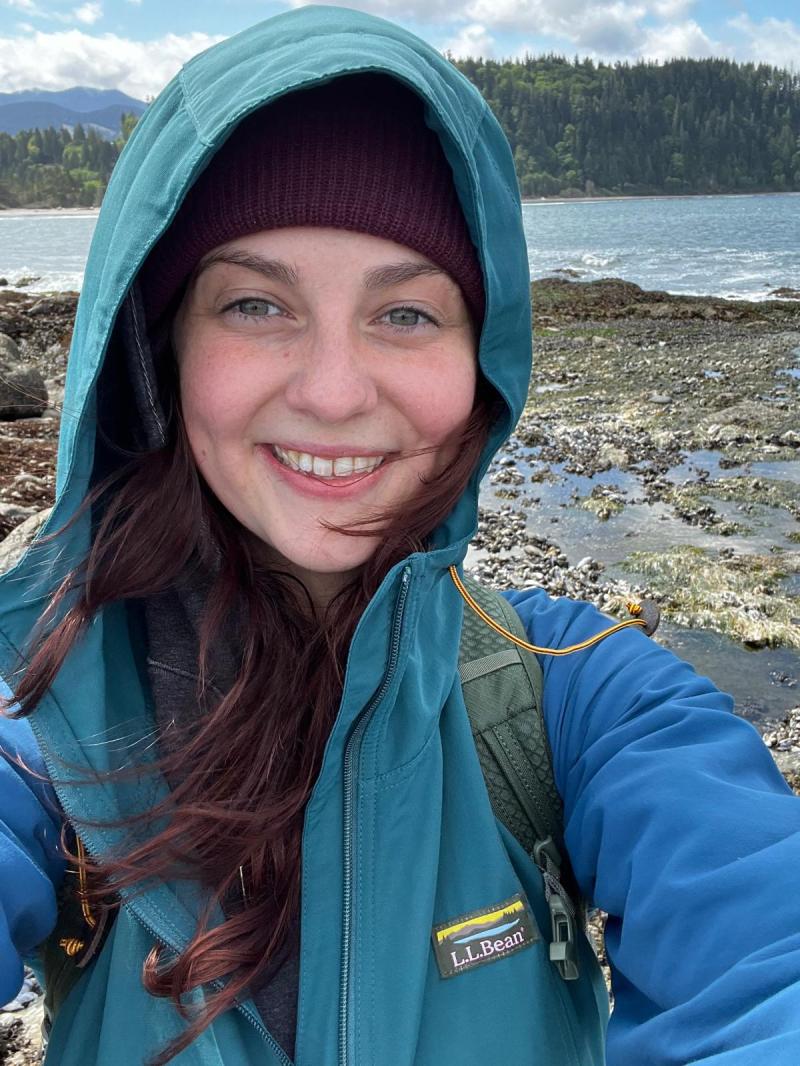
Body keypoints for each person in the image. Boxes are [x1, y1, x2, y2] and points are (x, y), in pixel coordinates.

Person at [1, 6, 799, 1066]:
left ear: (482, 362)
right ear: (159, 354)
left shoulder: (570, 697)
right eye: (252, 304)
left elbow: (766, 964)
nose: (332, 393)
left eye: (407, 313)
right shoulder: (52, 722)